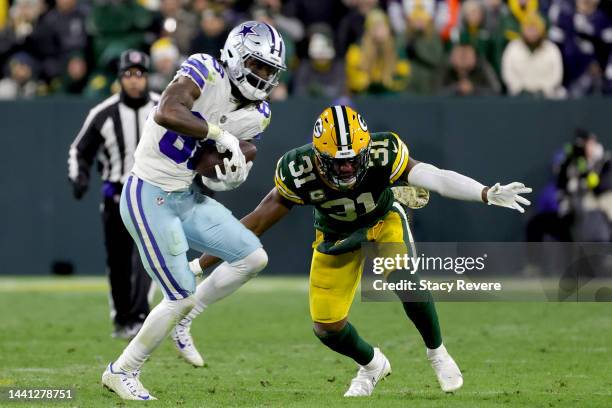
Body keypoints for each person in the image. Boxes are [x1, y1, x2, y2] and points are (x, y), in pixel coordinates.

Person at [193, 105, 532, 397]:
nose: (347, 168)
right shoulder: (298, 171)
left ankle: (437, 353)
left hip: (382, 221)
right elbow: (253, 224)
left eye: (353, 159)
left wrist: (485, 193)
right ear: (318, 156)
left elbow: (437, 178)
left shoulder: (386, 151)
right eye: (337, 162)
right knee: (327, 327)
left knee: (403, 279)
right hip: (336, 236)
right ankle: (372, 366)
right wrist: (199, 265)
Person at [101, 21, 286, 401]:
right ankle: (122, 370)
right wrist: (219, 135)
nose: (263, 76)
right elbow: (168, 111)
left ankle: (185, 314)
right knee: (178, 294)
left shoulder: (259, 113)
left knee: (253, 257)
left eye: (270, 70)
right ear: (236, 56)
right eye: (258, 65)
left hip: (186, 196)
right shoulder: (206, 68)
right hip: (148, 192)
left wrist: (227, 177)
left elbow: (225, 159)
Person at [68, 50, 159, 339]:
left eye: (140, 74)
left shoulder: (163, 108)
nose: (134, 81)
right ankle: (122, 318)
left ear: (147, 77)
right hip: (116, 195)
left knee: (148, 258)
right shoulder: (103, 113)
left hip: (153, 194)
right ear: (120, 78)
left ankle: (140, 315)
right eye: (128, 75)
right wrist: (79, 176)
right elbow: (79, 151)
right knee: (118, 261)